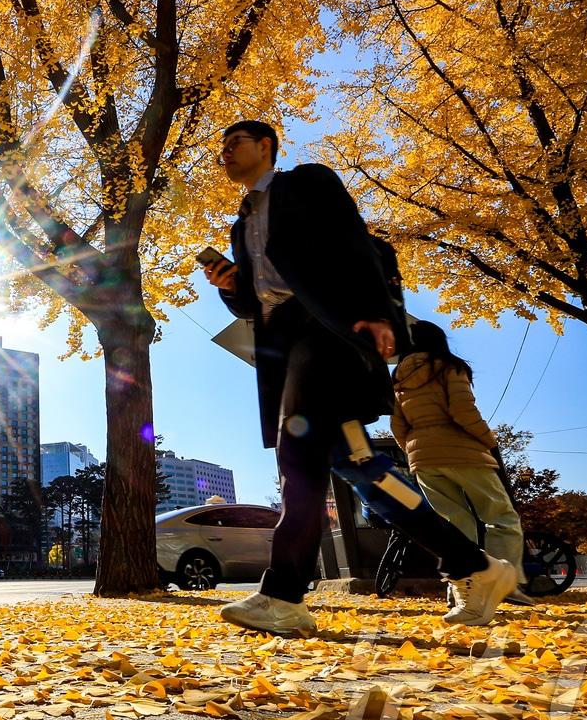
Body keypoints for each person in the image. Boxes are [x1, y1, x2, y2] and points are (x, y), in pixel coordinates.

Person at [201, 120, 516, 635]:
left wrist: (376, 311)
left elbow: (355, 243)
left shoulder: (307, 182)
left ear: (265, 147)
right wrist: (232, 287)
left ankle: (283, 595)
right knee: (366, 471)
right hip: (286, 350)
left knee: (296, 458)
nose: (224, 152)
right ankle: (476, 569)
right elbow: (258, 301)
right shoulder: (241, 225)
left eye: (232, 142)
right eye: (221, 145)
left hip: (326, 335)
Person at [390, 321, 534, 605]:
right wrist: (489, 439)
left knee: (454, 526)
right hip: (463, 452)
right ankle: (504, 582)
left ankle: (462, 590)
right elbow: (462, 410)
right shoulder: (449, 367)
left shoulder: (398, 377)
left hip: (424, 459)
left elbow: (398, 426)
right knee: (501, 517)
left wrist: (413, 450)